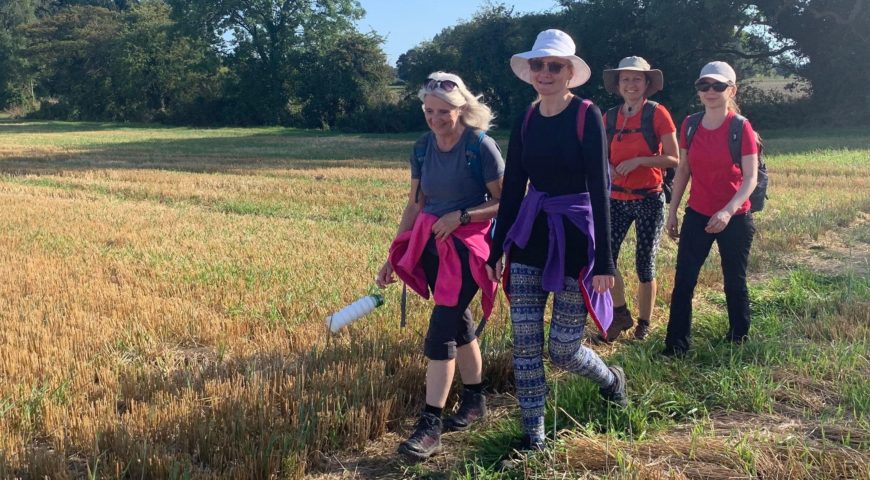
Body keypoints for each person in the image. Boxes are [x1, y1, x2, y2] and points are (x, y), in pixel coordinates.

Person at [486, 29, 627, 451]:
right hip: (531, 237)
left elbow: (601, 189)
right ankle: (535, 437)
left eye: (554, 66)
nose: (544, 72)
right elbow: (513, 188)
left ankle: (610, 378)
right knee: (524, 344)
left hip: (575, 239)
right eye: (538, 65)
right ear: (530, 72)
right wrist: (497, 248)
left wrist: (605, 261)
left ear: (569, 72)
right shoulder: (525, 119)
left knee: (563, 349)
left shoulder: (587, 115)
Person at [376, 71, 504, 460]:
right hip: (431, 244)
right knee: (458, 321)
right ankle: (475, 400)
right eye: (429, 111)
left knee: (440, 330)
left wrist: (463, 216)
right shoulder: (419, 148)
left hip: (468, 246)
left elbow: (510, 201)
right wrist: (393, 253)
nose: (435, 118)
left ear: (461, 107)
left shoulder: (480, 146)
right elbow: (416, 203)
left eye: (443, 111)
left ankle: (430, 426)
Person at [663, 61, 759, 357]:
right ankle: (675, 347)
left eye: (718, 86)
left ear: (732, 90)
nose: (710, 91)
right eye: (704, 86)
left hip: (735, 216)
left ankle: (738, 337)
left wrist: (728, 211)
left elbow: (751, 178)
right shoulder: (690, 125)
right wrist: (672, 211)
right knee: (684, 281)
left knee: (734, 279)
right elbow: (683, 172)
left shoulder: (740, 127)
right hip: (698, 213)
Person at [598, 56, 679, 341]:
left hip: (648, 198)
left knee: (645, 263)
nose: (630, 84)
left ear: (646, 83)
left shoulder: (657, 113)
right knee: (605, 259)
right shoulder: (608, 117)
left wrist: (641, 161)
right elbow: (601, 156)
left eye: (636, 79)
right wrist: (607, 166)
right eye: (625, 79)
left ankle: (644, 323)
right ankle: (620, 313)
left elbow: (673, 158)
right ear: (618, 84)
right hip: (616, 198)